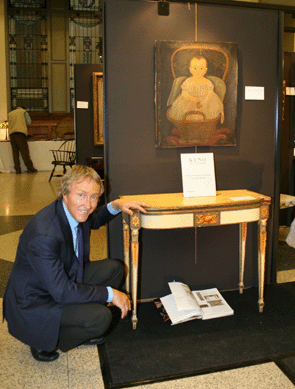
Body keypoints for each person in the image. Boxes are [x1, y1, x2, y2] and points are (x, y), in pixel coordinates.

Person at [3, 165, 149, 362]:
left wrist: (116, 205)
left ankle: (81, 320)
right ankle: (47, 339)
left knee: (114, 269)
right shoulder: (44, 234)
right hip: (37, 299)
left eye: (94, 197)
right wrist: (110, 293)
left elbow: (95, 219)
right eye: (81, 195)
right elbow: (61, 291)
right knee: (102, 318)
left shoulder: (74, 211)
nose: (87, 204)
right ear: (64, 193)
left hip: (62, 278)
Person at [167, 56, 224, 123]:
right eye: (195, 68)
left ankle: (205, 125)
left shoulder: (207, 82)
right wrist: (195, 100)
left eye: (201, 68)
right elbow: (184, 93)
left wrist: (203, 102)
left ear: (205, 70)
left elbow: (210, 93)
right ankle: (189, 126)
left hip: (206, 102)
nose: (198, 71)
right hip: (190, 100)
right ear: (190, 69)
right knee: (185, 110)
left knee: (211, 110)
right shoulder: (188, 81)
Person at [8, 106, 37, 174]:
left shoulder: (10, 113)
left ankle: (17, 169)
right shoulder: (23, 112)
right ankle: (30, 168)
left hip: (12, 134)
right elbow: (28, 122)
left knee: (15, 153)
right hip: (20, 134)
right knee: (24, 152)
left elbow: (9, 124)